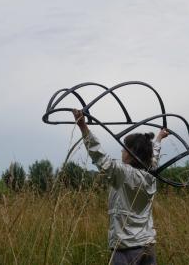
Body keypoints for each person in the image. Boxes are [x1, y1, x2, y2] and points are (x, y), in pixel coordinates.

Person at [72, 109, 169, 265]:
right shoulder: (151, 174)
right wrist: (158, 138)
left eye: (125, 148)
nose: (122, 150)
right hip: (148, 247)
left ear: (132, 153)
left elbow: (99, 156)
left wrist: (83, 126)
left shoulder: (123, 173)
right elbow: (153, 156)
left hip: (126, 250)